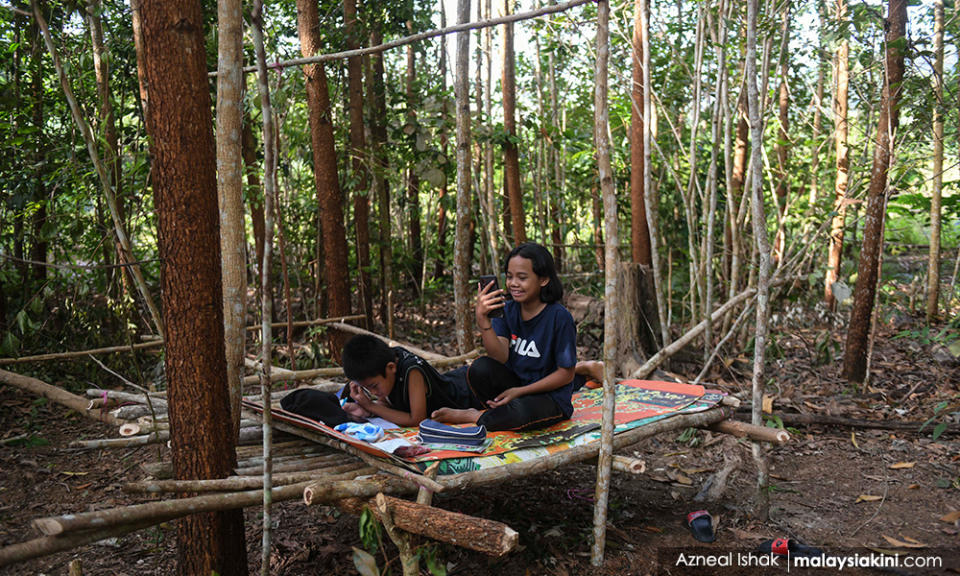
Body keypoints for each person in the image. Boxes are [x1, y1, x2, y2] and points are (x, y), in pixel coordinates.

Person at [432, 242, 602, 432]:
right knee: (480, 368)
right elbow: (499, 357)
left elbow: (565, 374)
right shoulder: (507, 309)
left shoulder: (559, 317)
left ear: (543, 279)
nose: (513, 284)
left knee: (522, 412)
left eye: (522, 278)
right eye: (510, 277)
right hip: (515, 386)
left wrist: (519, 392)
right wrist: (483, 321)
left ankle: (475, 415)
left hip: (548, 397)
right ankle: (499, 413)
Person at [340, 334, 472, 428]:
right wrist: (366, 410)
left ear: (391, 368)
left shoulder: (412, 371)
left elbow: (417, 420)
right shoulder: (386, 361)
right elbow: (389, 404)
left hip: (469, 392)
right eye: (367, 388)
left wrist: (371, 406)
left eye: (374, 386)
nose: (373, 392)